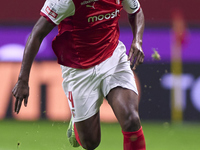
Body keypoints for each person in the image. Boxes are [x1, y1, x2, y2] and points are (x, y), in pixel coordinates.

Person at [12, 0, 146, 149]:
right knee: (91, 142)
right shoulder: (64, 2)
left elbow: (136, 11)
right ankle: (77, 124)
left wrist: (137, 41)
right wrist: (23, 80)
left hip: (112, 58)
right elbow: (37, 34)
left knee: (131, 119)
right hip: (79, 69)